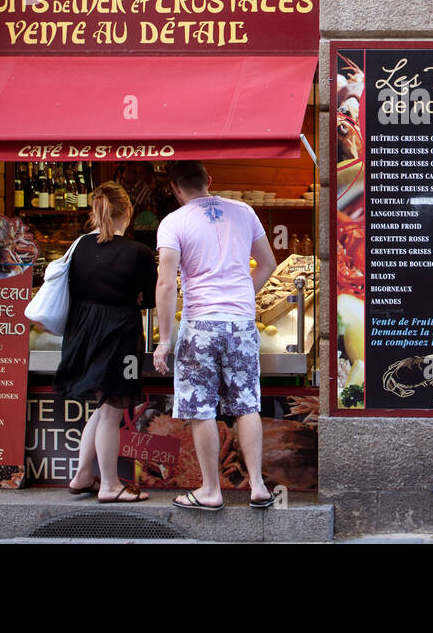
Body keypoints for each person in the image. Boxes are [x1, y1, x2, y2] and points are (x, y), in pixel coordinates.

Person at [152, 161, 277, 510]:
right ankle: (257, 487)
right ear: (209, 181)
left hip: (200, 324)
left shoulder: (173, 222)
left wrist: (164, 339)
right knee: (247, 403)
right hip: (240, 322)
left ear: (175, 188)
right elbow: (268, 263)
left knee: (201, 408)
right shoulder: (244, 211)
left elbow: (165, 282)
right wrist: (241, 297)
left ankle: (210, 491)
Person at [59, 181, 158, 503]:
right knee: (113, 412)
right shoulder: (139, 253)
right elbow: (149, 301)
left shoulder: (78, 246)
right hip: (120, 335)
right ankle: (110, 486)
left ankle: (82, 475)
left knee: (103, 409)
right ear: (127, 212)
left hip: (82, 334)